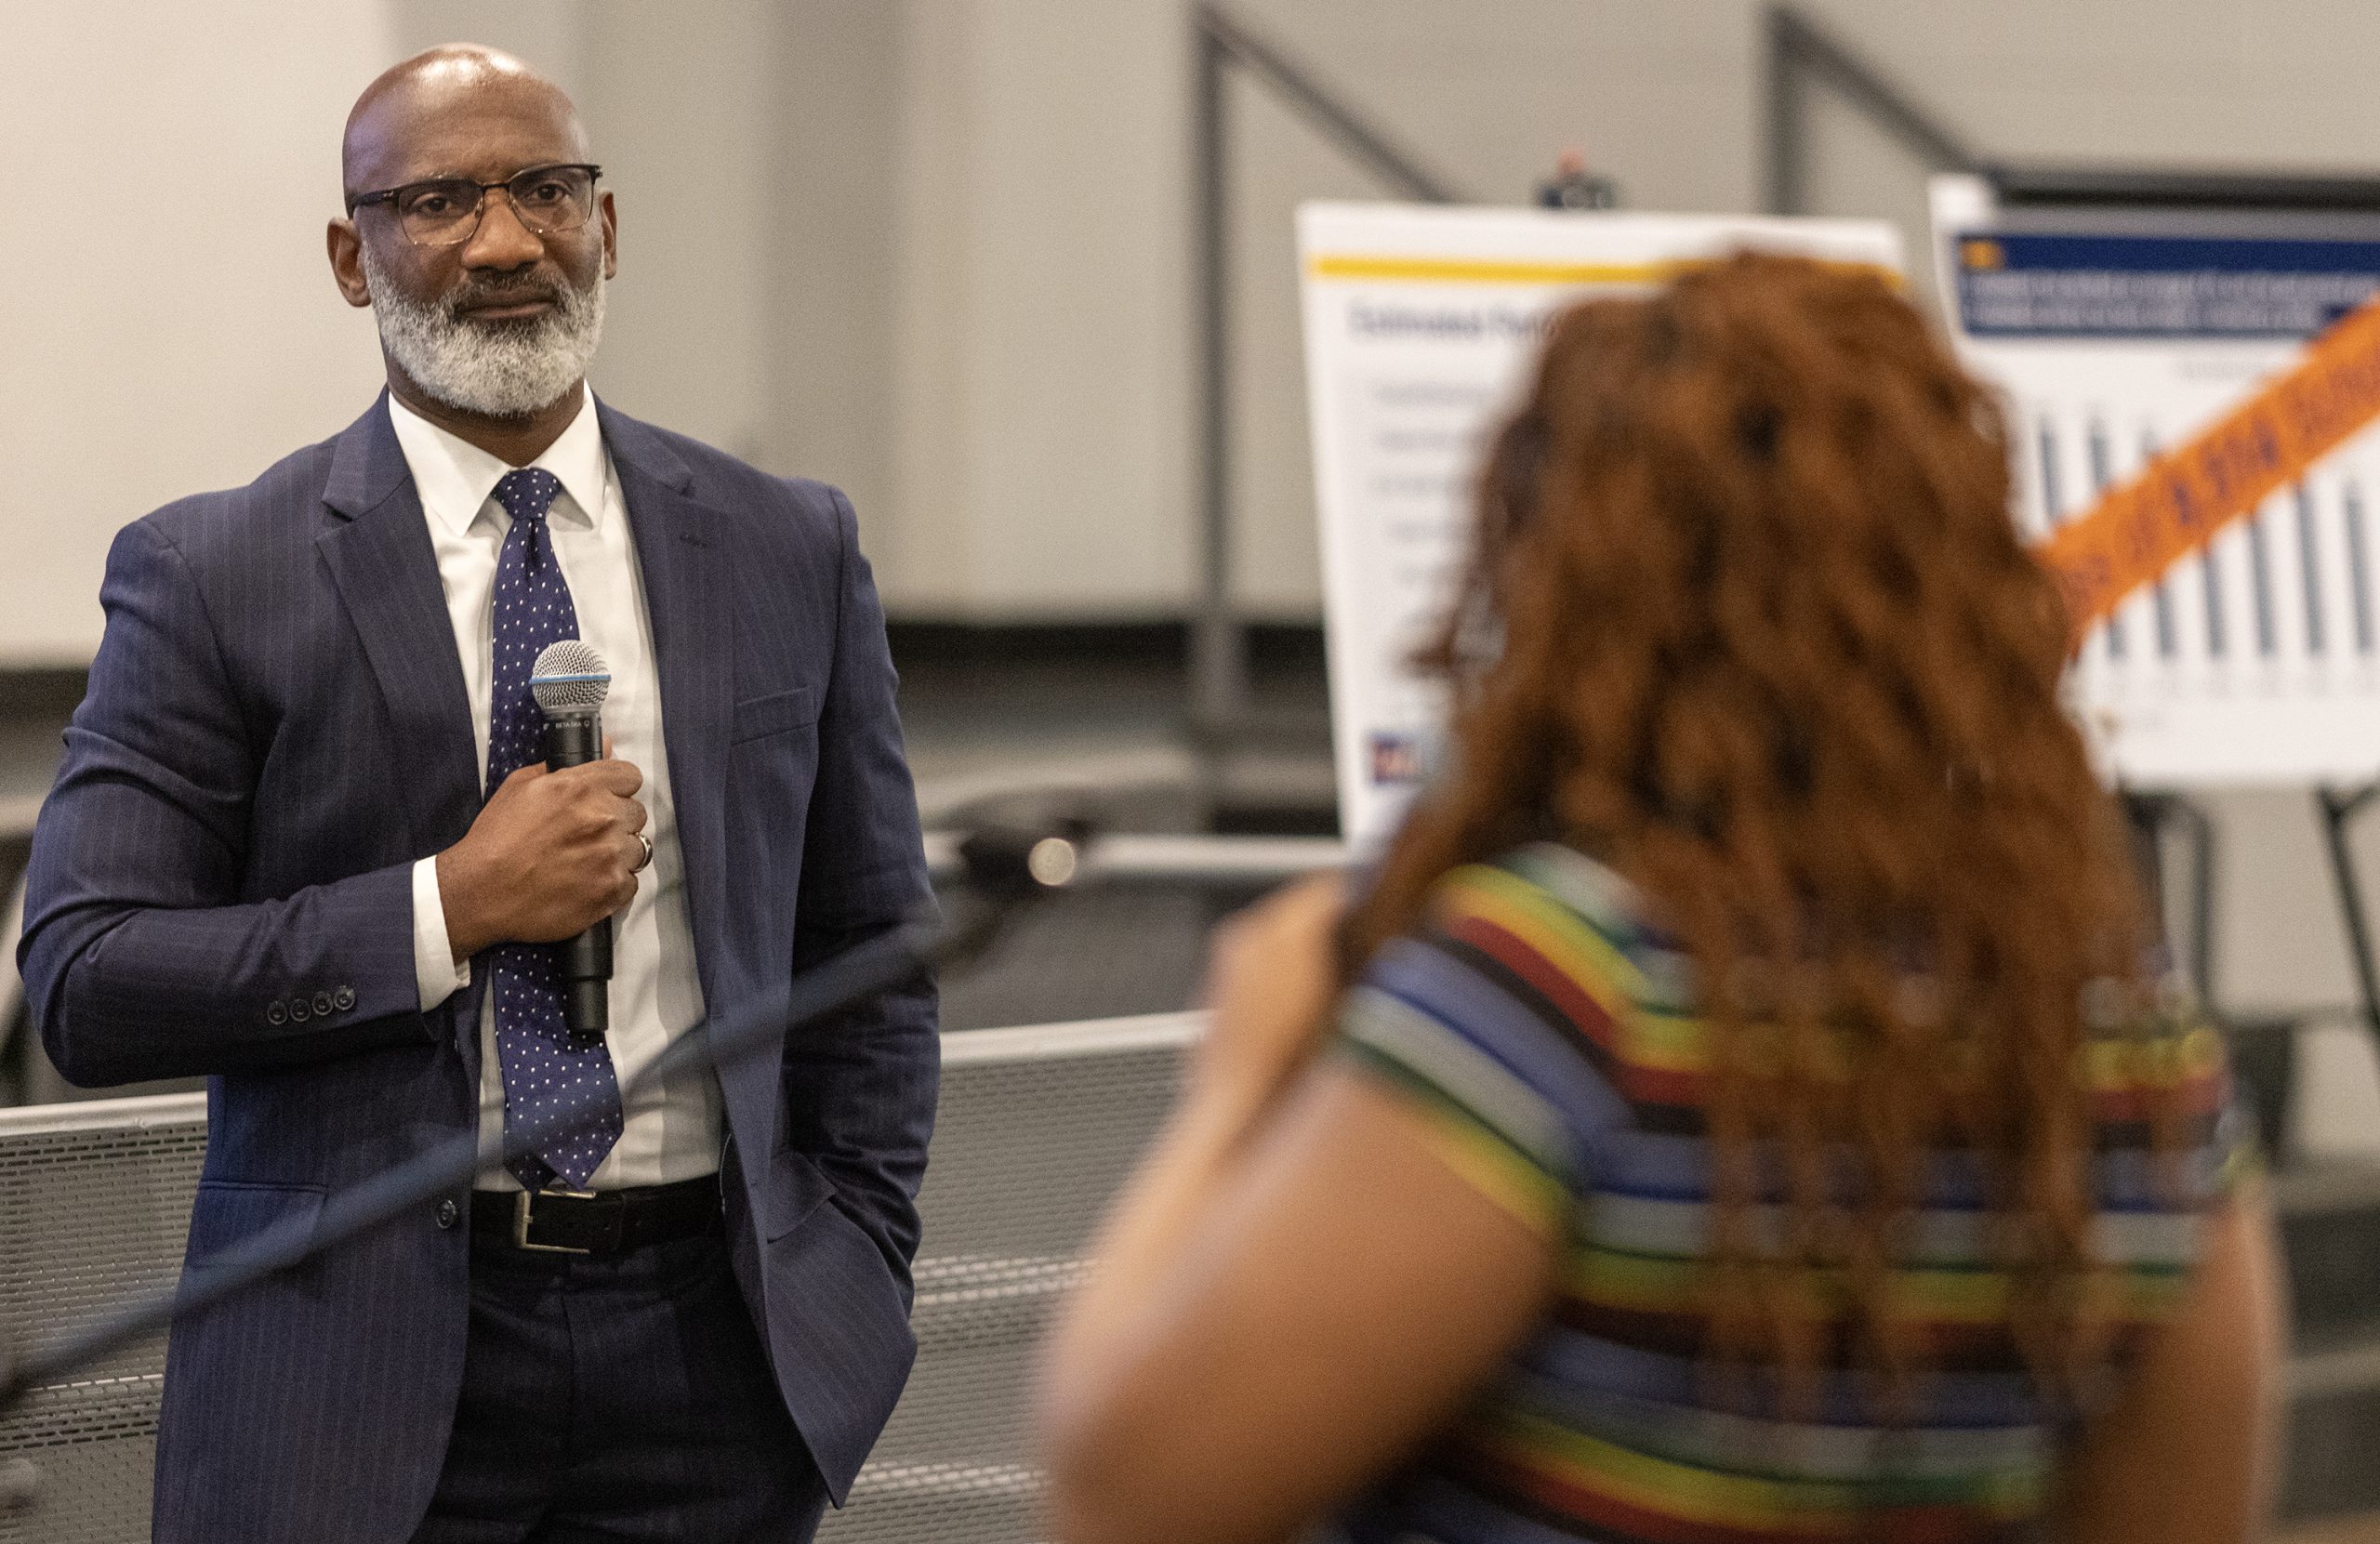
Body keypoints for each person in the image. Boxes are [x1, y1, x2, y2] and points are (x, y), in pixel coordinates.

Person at [1037, 254, 2286, 1544]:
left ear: (1570, 579)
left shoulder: (1563, 987)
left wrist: (1239, 1077)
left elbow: (1121, 1491)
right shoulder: (2113, 1032)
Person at [18, 44, 936, 1544]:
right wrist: (450, 906)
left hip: (717, 1357)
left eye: (546, 190)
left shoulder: (787, 546)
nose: (504, 240)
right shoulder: (215, 573)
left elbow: (874, 949)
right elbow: (88, 974)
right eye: (437, 199)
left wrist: (858, 1244)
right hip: (348, 1376)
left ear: (608, 226)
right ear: (349, 254)